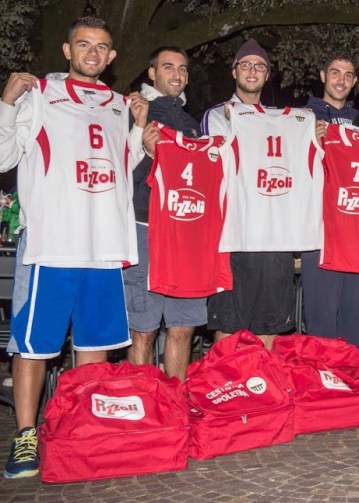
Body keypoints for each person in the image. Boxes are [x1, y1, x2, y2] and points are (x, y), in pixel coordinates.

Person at [0, 16, 149, 479]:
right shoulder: (40, 94)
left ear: (111, 56)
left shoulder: (120, 106)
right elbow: (4, 158)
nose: (92, 53)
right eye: (83, 44)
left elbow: (121, 167)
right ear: (67, 50)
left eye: (101, 47)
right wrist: (6, 103)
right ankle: (25, 434)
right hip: (51, 245)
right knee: (34, 346)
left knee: (95, 345)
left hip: (103, 247)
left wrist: (139, 131)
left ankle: (82, 428)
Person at [201, 39, 297, 349]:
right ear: (234, 72)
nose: (252, 71)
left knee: (271, 323)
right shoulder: (217, 115)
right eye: (245, 65)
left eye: (259, 66)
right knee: (230, 324)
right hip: (234, 234)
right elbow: (218, 165)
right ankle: (227, 378)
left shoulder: (280, 120)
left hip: (274, 233)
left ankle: (263, 378)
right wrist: (239, 126)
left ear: (267, 75)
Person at [124, 46, 204, 382]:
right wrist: (146, 152)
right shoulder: (133, 111)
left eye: (183, 69)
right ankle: (145, 401)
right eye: (168, 67)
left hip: (187, 234)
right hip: (146, 228)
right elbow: (117, 176)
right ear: (152, 72)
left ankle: (176, 400)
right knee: (143, 329)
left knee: (183, 327)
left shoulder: (192, 124)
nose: (177, 74)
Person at [300, 55, 359, 355]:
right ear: (322, 75)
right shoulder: (303, 117)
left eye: (348, 75)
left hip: (355, 227)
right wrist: (308, 141)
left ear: (354, 81)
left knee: (354, 310)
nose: (341, 80)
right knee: (321, 311)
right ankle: (322, 373)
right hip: (317, 228)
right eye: (335, 73)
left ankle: (352, 371)